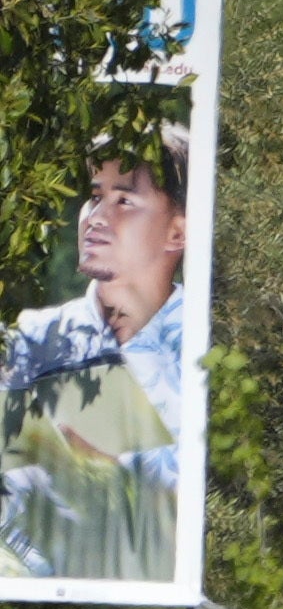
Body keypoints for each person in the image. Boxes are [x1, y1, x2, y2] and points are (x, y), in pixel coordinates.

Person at [2, 140, 193, 584]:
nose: (96, 218)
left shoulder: (200, 355)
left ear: (177, 232)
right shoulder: (35, 335)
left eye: (124, 199)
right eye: (94, 196)